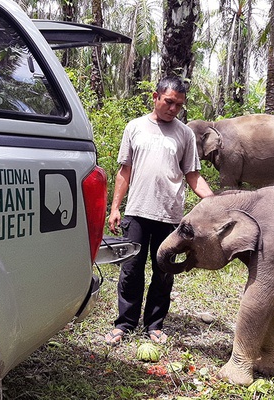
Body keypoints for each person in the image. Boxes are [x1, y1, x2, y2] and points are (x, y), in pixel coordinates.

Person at [105, 76, 213, 345]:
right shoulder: (135, 127)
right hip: (138, 211)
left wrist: (216, 202)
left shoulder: (185, 134)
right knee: (131, 270)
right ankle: (125, 324)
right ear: (155, 97)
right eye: (169, 102)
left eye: (179, 105)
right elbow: (124, 171)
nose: (173, 109)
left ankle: (154, 325)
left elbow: (193, 175)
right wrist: (115, 207)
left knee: (164, 271)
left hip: (170, 216)